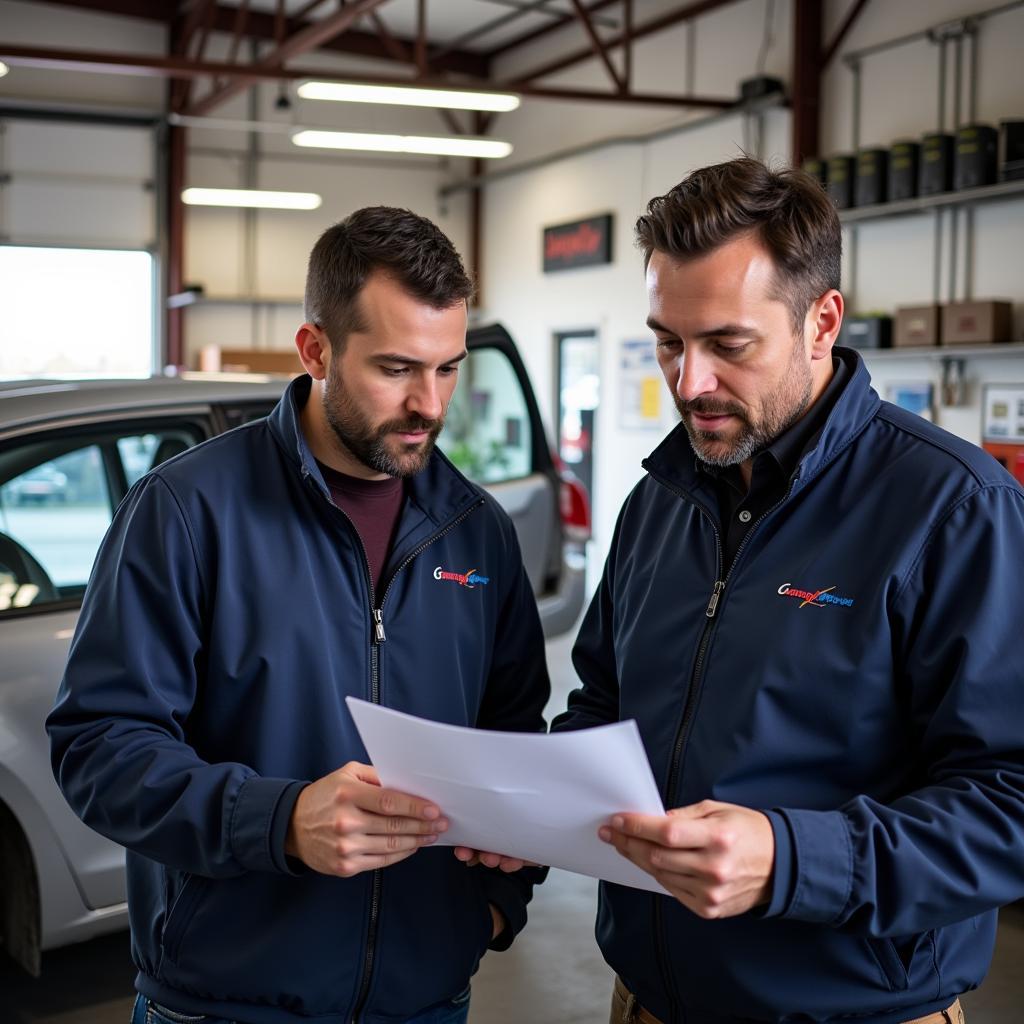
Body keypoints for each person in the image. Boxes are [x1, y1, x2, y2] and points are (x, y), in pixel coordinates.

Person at [47, 207, 549, 1024]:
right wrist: (279, 821)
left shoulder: (477, 530)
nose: (429, 404)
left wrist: (494, 902)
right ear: (315, 349)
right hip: (227, 1003)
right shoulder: (186, 512)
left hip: (426, 1002)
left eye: (448, 368)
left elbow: (513, 736)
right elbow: (100, 748)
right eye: (396, 369)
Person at [554, 158, 1024, 1024]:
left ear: (822, 322)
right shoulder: (660, 499)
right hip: (648, 1001)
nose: (689, 382)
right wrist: (529, 805)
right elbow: (602, 700)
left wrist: (794, 857)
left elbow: (1010, 801)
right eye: (668, 341)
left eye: (728, 345)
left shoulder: (955, 510)